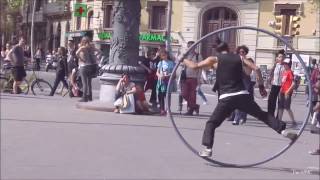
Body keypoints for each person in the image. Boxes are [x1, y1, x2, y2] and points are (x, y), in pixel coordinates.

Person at [182, 40, 297, 157]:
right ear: (229, 48)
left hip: (226, 98)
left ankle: (207, 148)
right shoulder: (239, 58)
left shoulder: (215, 59)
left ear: (218, 51)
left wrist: (183, 58)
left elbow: (194, 66)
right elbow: (256, 68)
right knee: (262, 115)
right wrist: (261, 87)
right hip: (242, 95)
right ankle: (283, 131)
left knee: (212, 123)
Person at [76, 36, 100, 102]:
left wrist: (81, 59)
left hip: (83, 66)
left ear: (82, 41)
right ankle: (90, 97)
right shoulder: (91, 47)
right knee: (89, 83)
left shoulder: (83, 47)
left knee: (84, 83)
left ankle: (84, 97)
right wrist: (95, 56)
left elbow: (76, 53)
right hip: (90, 66)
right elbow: (99, 51)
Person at [181, 41, 201, 116]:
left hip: (193, 78)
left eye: (191, 46)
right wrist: (182, 56)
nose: (190, 48)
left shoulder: (198, 56)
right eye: (188, 46)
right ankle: (195, 106)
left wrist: (199, 80)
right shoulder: (185, 55)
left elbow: (200, 68)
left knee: (192, 95)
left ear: (195, 47)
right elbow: (178, 62)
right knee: (184, 94)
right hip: (184, 77)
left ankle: (190, 110)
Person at [277, 59, 297, 127]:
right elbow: (283, 82)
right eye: (284, 64)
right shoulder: (284, 72)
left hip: (287, 93)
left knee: (287, 107)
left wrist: (288, 91)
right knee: (280, 107)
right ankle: (278, 121)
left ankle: (293, 122)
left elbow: (293, 83)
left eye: (285, 64)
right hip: (282, 92)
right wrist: (280, 90)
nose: (284, 65)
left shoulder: (290, 72)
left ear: (289, 65)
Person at [156, 50, 175, 116]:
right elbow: (157, 72)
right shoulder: (160, 63)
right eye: (162, 55)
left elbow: (173, 73)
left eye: (165, 55)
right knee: (161, 95)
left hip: (168, 81)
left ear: (167, 55)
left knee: (168, 95)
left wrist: (167, 75)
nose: (164, 56)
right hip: (161, 81)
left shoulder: (171, 63)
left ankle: (168, 109)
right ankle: (162, 109)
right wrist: (160, 75)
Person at [268, 49, 286, 116]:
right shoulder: (275, 65)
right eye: (280, 57)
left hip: (282, 86)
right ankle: (270, 115)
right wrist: (270, 81)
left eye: (282, 57)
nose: (281, 58)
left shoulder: (285, 66)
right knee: (271, 101)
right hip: (274, 85)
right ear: (277, 58)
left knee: (280, 103)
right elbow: (271, 74)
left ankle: (278, 117)